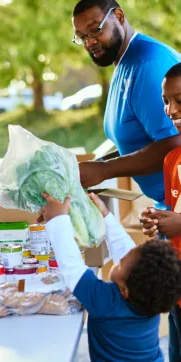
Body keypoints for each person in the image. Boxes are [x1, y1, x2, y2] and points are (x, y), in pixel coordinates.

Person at [40, 192, 181, 362]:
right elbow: (127, 252)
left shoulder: (106, 302)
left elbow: (71, 266)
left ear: (124, 290)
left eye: (120, 264)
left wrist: (58, 219)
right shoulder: (151, 300)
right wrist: (105, 216)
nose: (119, 259)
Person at [73, 0, 181, 208]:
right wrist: (99, 165)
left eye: (95, 30)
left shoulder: (148, 63)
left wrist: (106, 170)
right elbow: (136, 143)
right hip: (166, 207)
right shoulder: (124, 62)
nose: (89, 42)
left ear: (119, 17)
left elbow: (175, 143)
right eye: (82, 36)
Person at [139, 63, 181, 362]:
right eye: (166, 101)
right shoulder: (172, 160)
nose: (171, 110)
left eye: (180, 100)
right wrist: (158, 220)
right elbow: (173, 211)